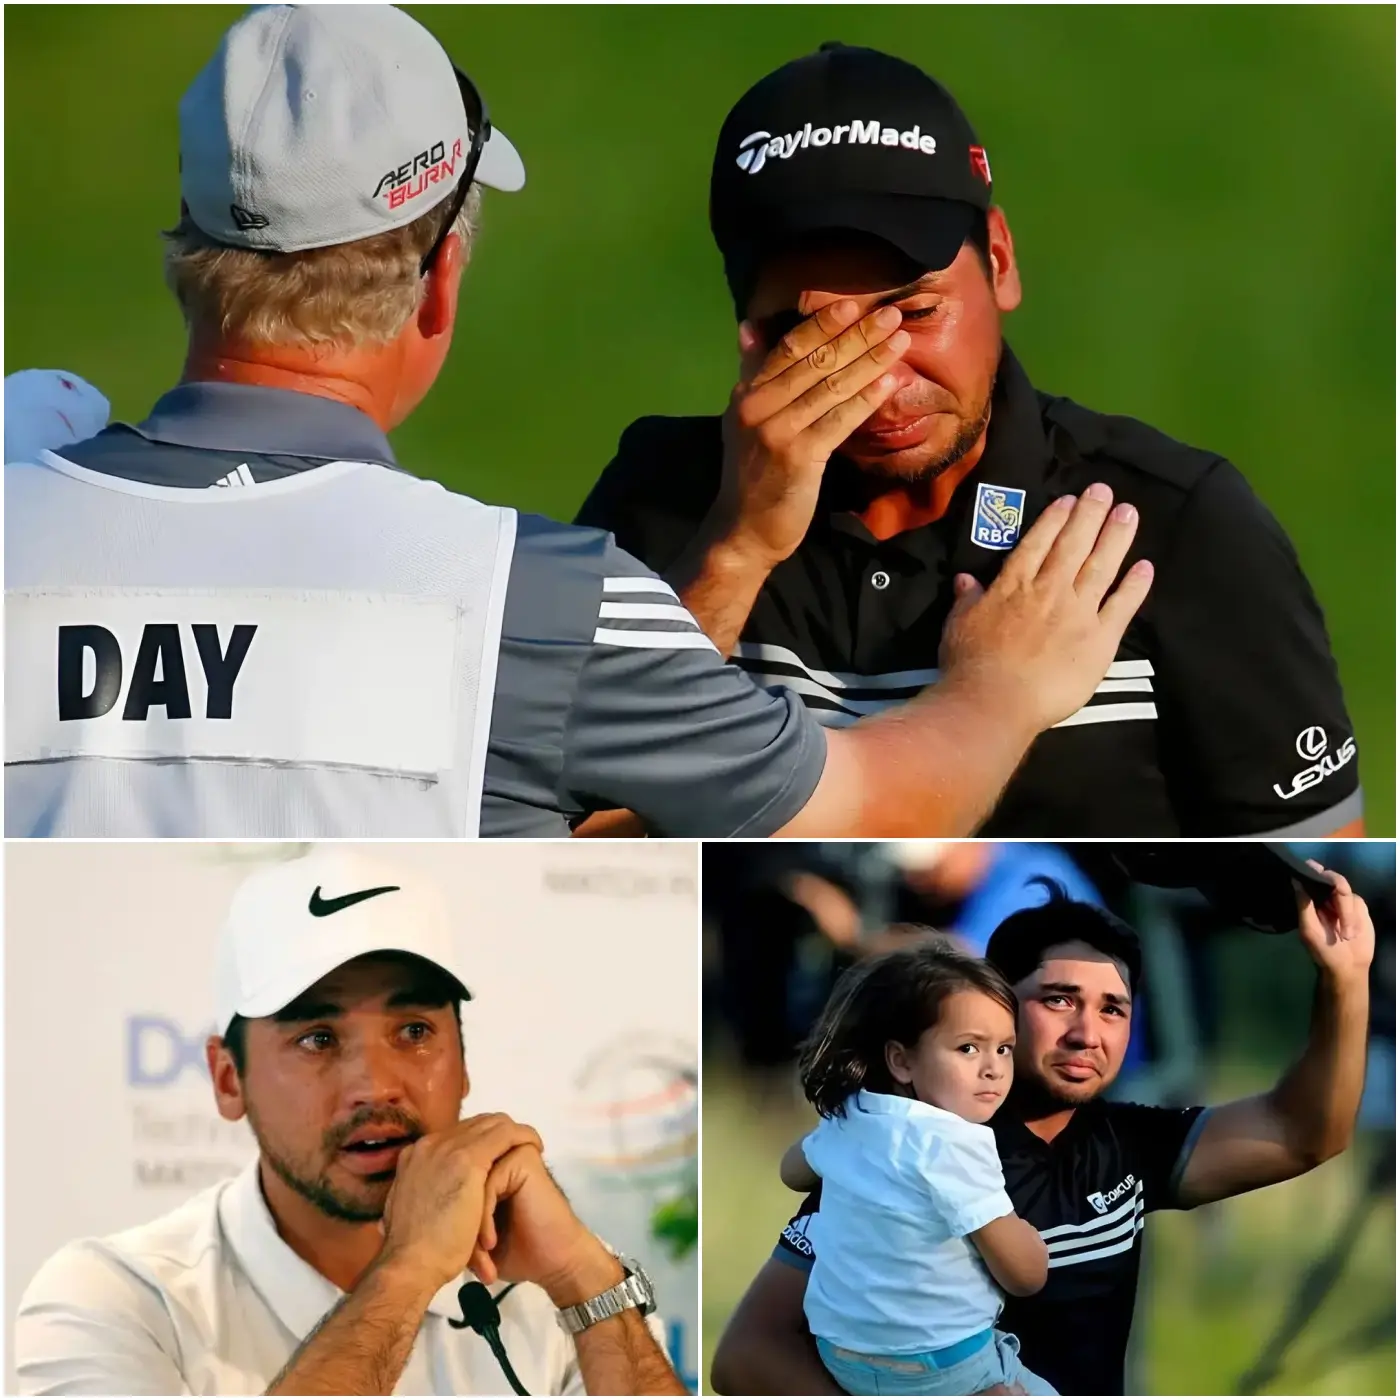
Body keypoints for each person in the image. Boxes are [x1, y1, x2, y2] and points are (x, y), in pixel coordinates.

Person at [4, 8, 1151, 841]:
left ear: (191, 254)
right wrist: (998, 686)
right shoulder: (536, 597)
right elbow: (873, 805)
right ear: (439, 280)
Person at [576, 42, 1363, 839]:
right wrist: (736, 552)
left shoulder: (1181, 524)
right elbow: (564, 844)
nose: (882, 384)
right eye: (812, 339)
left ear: (1000, 261)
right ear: (748, 332)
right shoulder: (660, 504)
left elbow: (1320, 881)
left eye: (916, 313)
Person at [14, 848, 684, 1395]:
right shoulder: (116, 1301)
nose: (376, 1085)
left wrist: (583, 1278)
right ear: (228, 1079)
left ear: (463, 1062)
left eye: (414, 1031)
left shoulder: (551, 1286)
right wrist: (410, 1267)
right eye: (318, 1038)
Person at [710, 860, 1374, 1396]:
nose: (1087, 1032)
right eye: (1059, 999)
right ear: (997, 1003)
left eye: (1113, 1009)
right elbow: (747, 1357)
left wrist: (1345, 978)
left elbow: (1302, 1134)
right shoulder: (909, 1145)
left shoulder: (1128, 1143)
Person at [779, 941, 1055, 1396]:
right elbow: (1026, 1277)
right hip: (945, 1366)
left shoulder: (852, 1116)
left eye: (1005, 1048)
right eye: (969, 1048)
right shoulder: (952, 1142)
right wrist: (1027, 1237)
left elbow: (792, 1172)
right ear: (902, 1060)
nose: (993, 1068)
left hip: (842, 1356)